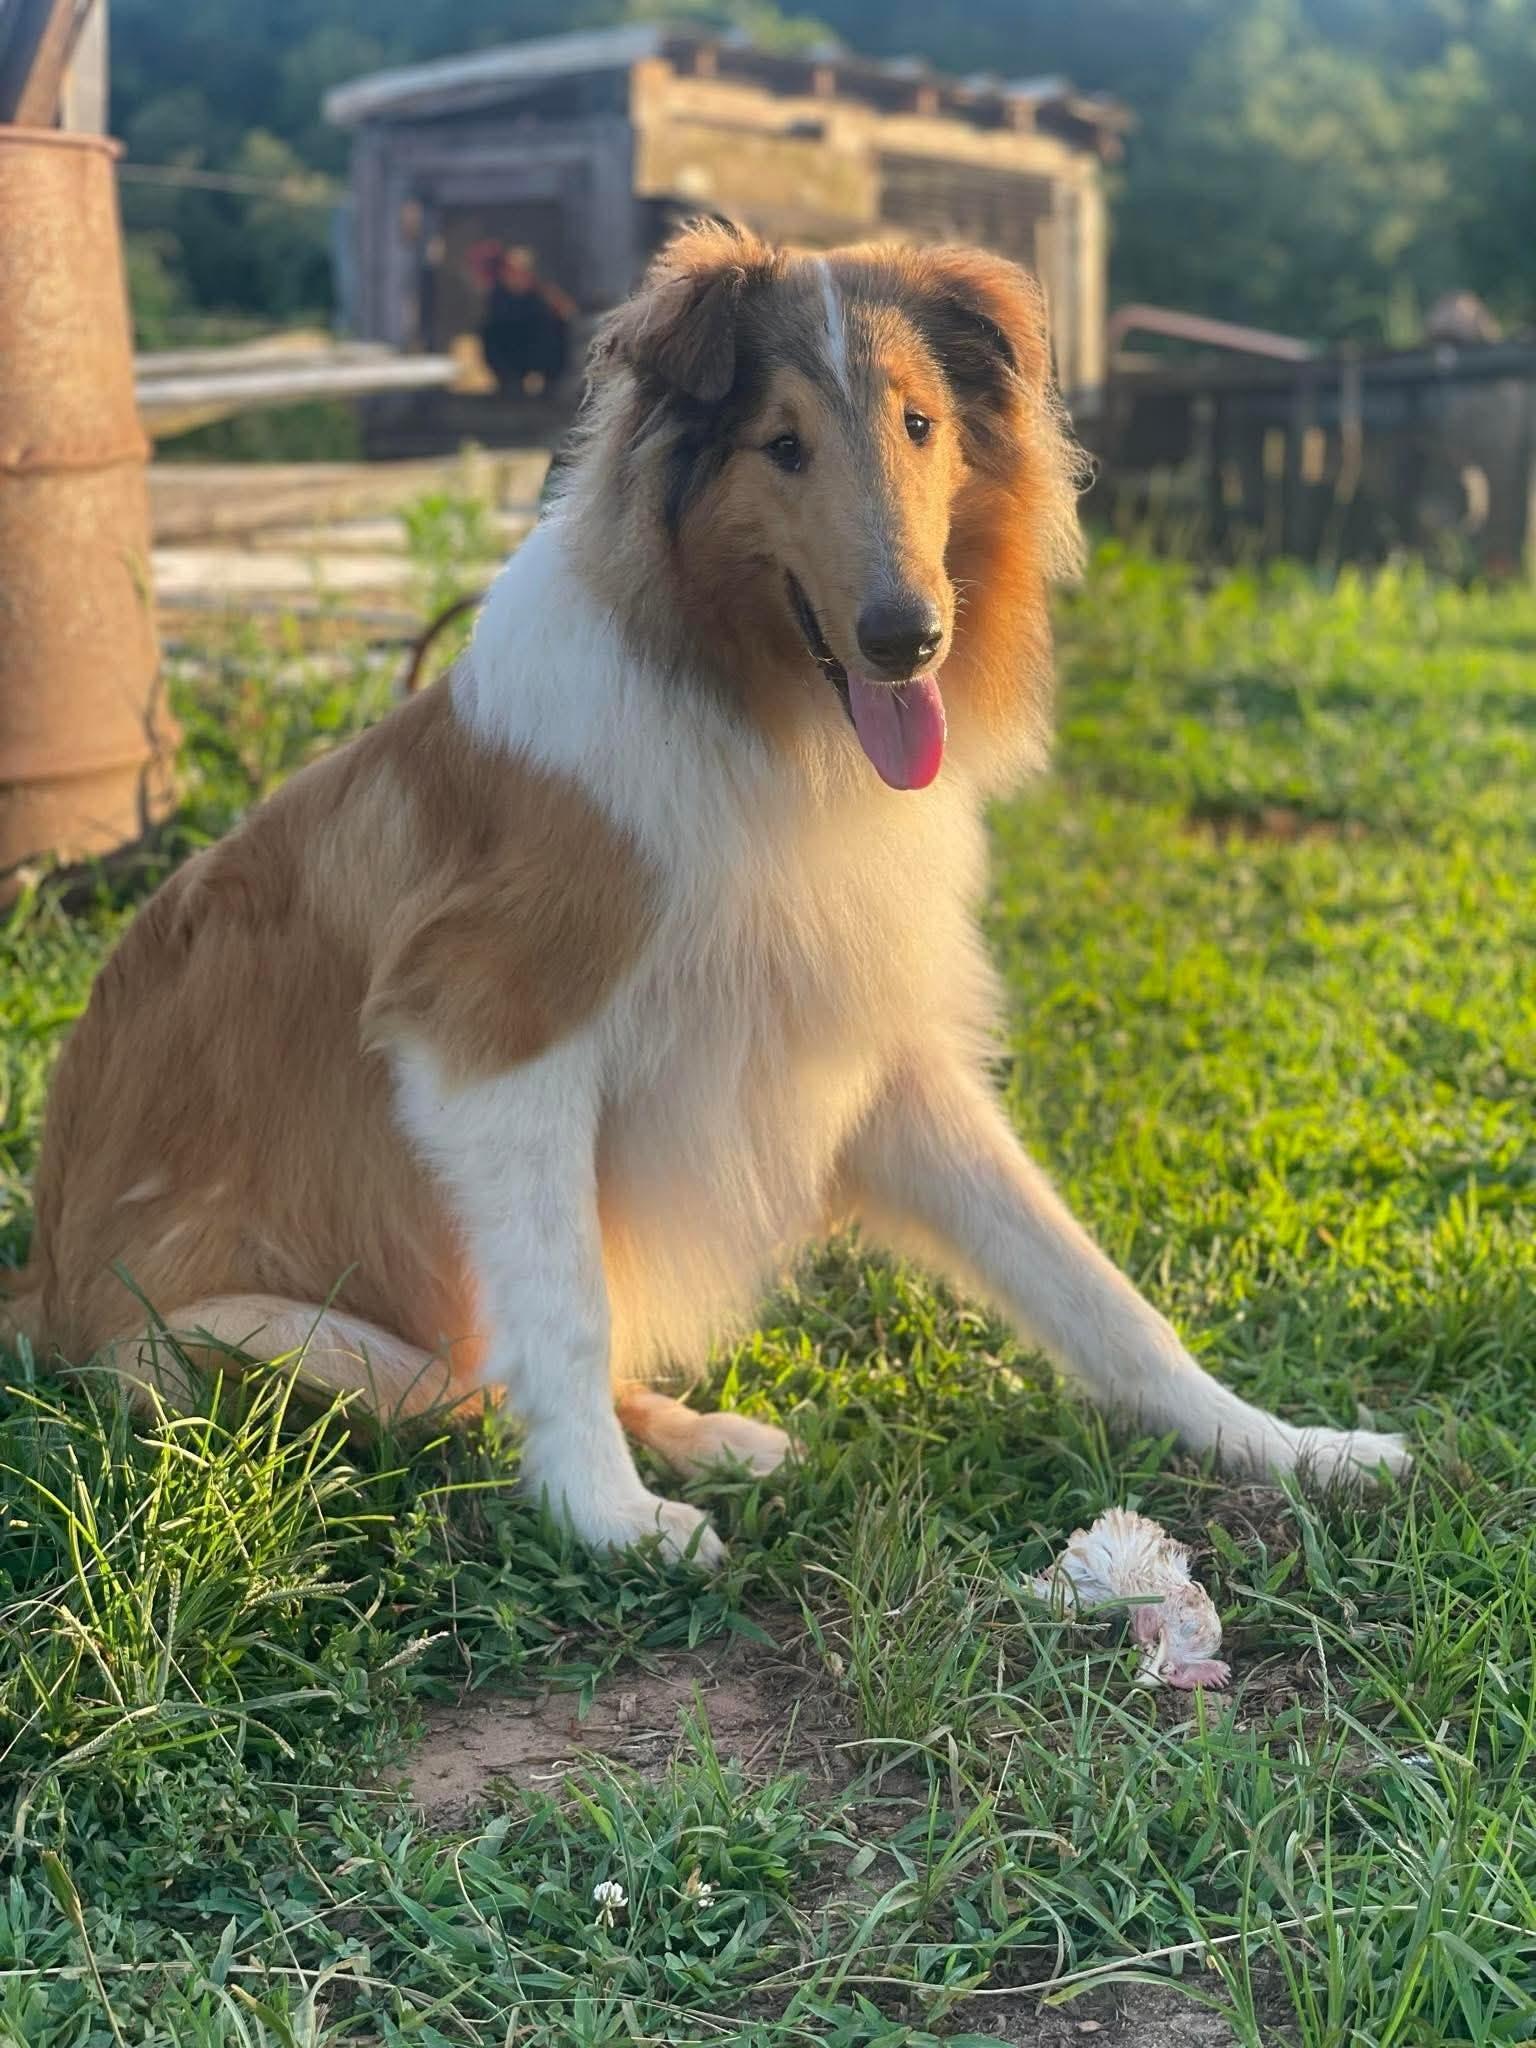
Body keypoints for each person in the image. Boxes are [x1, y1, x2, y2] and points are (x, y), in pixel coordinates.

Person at [478, 245, 576, 397]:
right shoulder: (497, 297)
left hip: (539, 361)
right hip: (508, 361)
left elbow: (568, 313)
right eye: (511, 270)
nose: (516, 276)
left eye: (522, 271)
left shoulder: (542, 294)